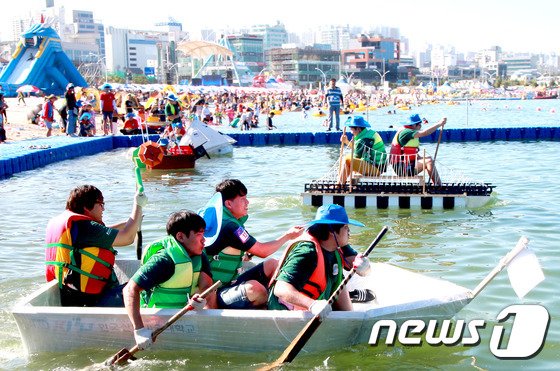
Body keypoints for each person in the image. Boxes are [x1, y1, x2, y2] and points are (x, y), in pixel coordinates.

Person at [201, 179, 304, 309]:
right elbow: (262, 251)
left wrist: (247, 255)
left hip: (230, 283)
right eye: (243, 199)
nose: (247, 202)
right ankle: (276, 310)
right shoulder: (230, 226)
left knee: (273, 264)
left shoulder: (225, 220)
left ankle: (282, 303)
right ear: (228, 204)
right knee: (255, 289)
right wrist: (288, 236)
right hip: (216, 293)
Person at [123, 210, 217, 350]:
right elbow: (129, 289)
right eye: (199, 235)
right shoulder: (163, 260)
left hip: (182, 313)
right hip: (156, 317)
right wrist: (139, 331)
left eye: (203, 234)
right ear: (180, 236)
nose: (204, 240)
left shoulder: (200, 255)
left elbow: (207, 287)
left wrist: (199, 299)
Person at [45, 185, 147, 307]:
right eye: (101, 204)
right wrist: (138, 205)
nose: (103, 209)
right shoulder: (85, 227)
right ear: (87, 206)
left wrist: (131, 222)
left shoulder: (72, 224)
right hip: (94, 300)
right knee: (149, 282)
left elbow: (103, 232)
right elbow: (128, 238)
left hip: (71, 296)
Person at [268, 204, 371, 317]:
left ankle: (349, 316)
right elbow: (281, 289)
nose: (349, 232)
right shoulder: (307, 252)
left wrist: (365, 267)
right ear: (332, 231)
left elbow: (359, 267)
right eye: (346, 227)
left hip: (320, 299)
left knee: (338, 275)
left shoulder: (338, 245)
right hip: (289, 311)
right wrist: (312, 305)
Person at [389, 113, 446, 186]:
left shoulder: (409, 131)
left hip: (407, 164)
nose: (420, 126)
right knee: (429, 161)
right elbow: (424, 133)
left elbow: (409, 152)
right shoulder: (406, 132)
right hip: (402, 168)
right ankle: (438, 186)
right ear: (413, 125)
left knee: (428, 159)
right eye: (419, 124)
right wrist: (439, 124)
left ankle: (436, 183)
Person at [338, 116, 387, 184]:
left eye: (351, 129)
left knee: (347, 160)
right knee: (347, 158)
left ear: (358, 129)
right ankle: (341, 182)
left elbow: (356, 155)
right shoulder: (368, 133)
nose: (351, 132)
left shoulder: (365, 139)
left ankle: (339, 185)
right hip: (373, 165)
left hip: (376, 169)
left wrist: (346, 143)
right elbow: (358, 150)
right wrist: (346, 141)